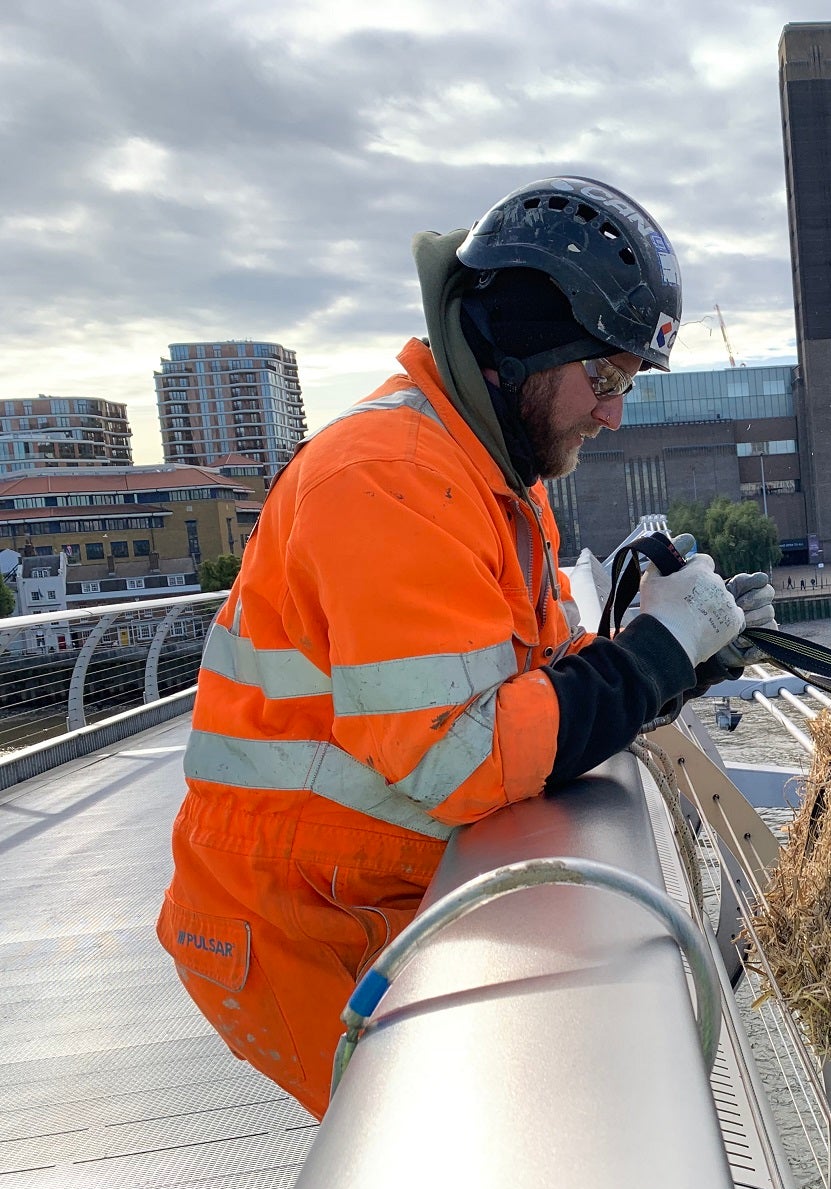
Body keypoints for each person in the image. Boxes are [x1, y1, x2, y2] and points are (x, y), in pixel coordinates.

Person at [156, 176, 774, 1119]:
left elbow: (537, 678)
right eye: (603, 378)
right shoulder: (392, 481)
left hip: (361, 894)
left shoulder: (481, 472)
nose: (612, 415)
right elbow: (466, 752)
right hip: (299, 922)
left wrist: (679, 663)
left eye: (627, 385)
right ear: (520, 346)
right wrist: (654, 653)